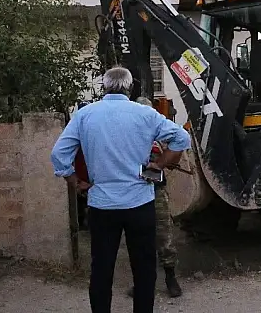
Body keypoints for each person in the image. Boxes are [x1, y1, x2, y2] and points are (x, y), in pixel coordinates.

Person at [50, 66, 190, 313]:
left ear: (104, 87)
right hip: (139, 203)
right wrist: (158, 165)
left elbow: (59, 155)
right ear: (130, 88)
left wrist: (75, 181)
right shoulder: (144, 114)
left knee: (102, 268)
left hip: (102, 205)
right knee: (144, 269)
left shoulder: (85, 115)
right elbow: (182, 139)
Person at [126, 97, 182, 299]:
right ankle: (141, 283)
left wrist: (161, 159)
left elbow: (177, 151)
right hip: (132, 191)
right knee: (138, 240)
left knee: (164, 235)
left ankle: (170, 278)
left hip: (156, 189)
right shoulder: (126, 135)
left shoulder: (160, 133)